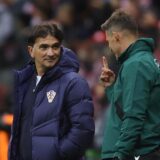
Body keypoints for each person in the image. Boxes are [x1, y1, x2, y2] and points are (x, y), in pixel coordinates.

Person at [8, 22, 95, 160]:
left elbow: (83, 131)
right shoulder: (24, 83)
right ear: (31, 51)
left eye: (55, 47)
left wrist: (56, 155)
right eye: (44, 47)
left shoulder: (74, 82)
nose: (50, 52)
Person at [99, 9, 160, 160]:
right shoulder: (139, 61)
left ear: (117, 37)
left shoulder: (136, 64)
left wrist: (120, 154)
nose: (109, 47)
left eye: (108, 42)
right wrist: (112, 87)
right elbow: (124, 110)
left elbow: (134, 115)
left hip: (137, 153)